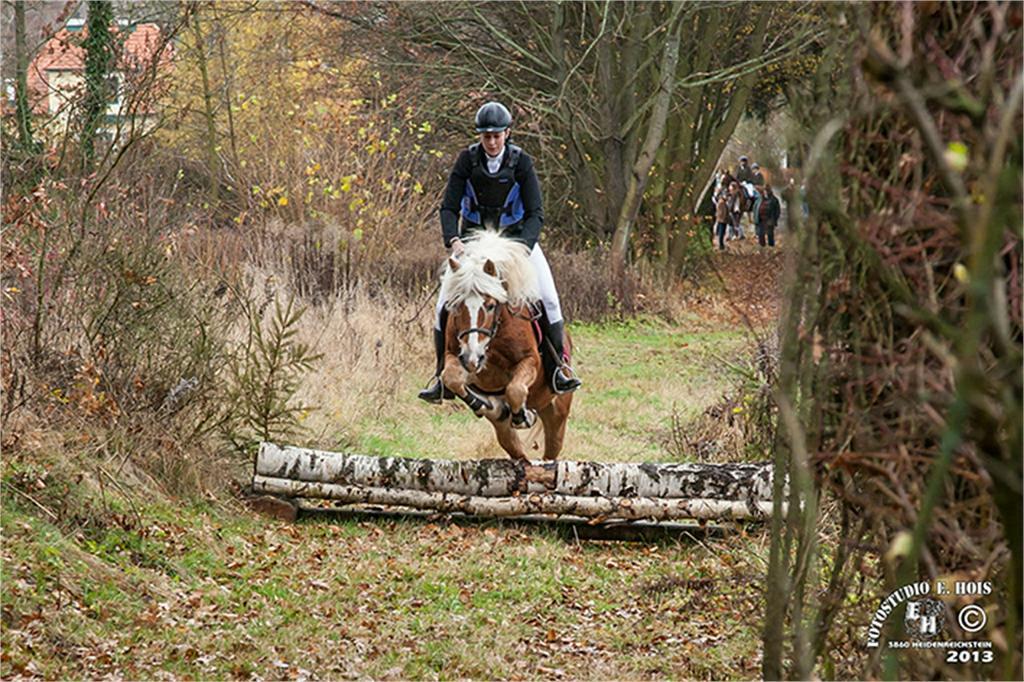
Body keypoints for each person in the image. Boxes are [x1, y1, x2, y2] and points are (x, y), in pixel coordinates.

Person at [418, 101, 581, 403]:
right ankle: (440, 373)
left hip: (516, 243)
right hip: (473, 245)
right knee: (443, 305)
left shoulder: (522, 163)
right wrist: (453, 240)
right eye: (486, 136)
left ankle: (560, 369)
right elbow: (449, 207)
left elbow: (536, 213)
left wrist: (523, 247)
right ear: (480, 137)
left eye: (496, 135)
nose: (491, 142)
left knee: (549, 298)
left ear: (507, 133)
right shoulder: (466, 161)